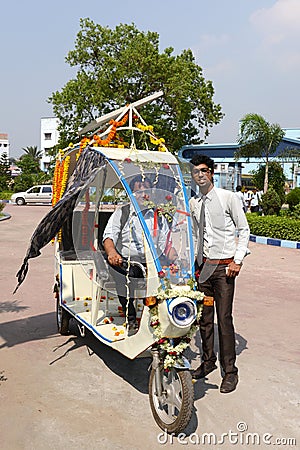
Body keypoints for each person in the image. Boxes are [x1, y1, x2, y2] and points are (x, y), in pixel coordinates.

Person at [189, 154, 250, 394]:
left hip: (224, 270)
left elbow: (243, 229)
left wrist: (238, 260)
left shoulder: (228, 198)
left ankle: (230, 373)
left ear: (212, 172)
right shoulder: (194, 203)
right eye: (196, 172)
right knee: (204, 318)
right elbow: (196, 235)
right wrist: (195, 264)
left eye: (204, 170)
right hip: (204, 269)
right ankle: (207, 362)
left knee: (223, 319)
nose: (200, 175)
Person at [103, 175, 177, 332]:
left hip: (152, 261)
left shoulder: (158, 215)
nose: (143, 194)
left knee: (173, 277)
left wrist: (175, 257)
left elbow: (166, 245)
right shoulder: (122, 213)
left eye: (147, 190)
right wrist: (112, 253)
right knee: (126, 275)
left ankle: (163, 317)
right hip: (128, 260)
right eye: (138, 191)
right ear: (131, 193)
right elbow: (109, 237)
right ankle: (131, 317)